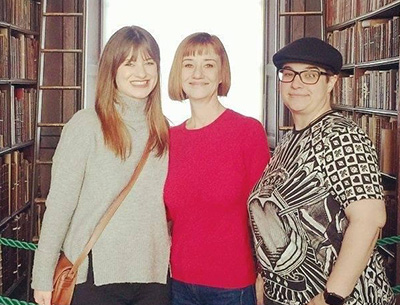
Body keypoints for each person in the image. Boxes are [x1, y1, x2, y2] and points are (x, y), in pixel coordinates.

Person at [248, 37, 395, 305]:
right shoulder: (288, 141)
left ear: (331, 82)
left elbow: (369, 220)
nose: (296, 83)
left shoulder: (341, 136)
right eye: (289, 73)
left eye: (310, 74)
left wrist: (330, 297)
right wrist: (265, 282)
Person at [31, 26, 170, 305]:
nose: (141, 72)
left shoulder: (163, 129)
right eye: (130, 63)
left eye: (149, 62)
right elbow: (59, 205)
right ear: (112, 69)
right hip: (95, 276)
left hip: (154, 277)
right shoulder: (86, 125)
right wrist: (42, 276)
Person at [164, 32, 271, 305]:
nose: (197, 73)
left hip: (232, 285)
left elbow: (265, 214)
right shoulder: (168, 138)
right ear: (178, 73)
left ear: (222, 73)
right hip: (178, 284)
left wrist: (265, 277)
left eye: (208, 64)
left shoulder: (247, 131)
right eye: (188, 64)